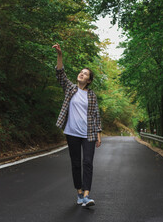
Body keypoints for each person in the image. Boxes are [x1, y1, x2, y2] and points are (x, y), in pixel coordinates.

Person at [52, 43, 102, 207]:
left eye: (85, 74)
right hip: (72, 133)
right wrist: (60, 55)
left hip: (88, 134)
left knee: (88, 162)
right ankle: (79, 193)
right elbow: (60, 73)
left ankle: (87, 195)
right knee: (76, 164)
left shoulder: (92, 95)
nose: (81, 74)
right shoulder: (70, 88)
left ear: (89, 80)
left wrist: (98, 134)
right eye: (81, 72)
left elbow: (96, 115)